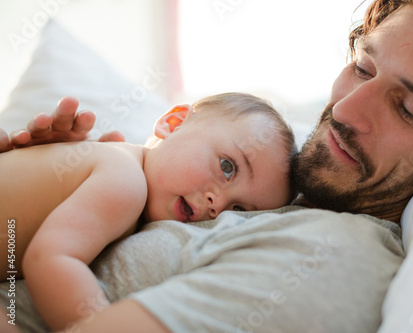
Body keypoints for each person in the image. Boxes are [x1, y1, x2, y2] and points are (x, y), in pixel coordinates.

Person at [1, 0, 413, 332]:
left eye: (407, 109)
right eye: (362, 68)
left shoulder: (337, 257)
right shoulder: (269, 173)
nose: (346, 110)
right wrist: (45, 180)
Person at [0, 92, 296, 332]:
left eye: (239, 209)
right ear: (174, 122)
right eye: (227, 167)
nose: (216, 205)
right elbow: (51, 259)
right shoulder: (126, 180)